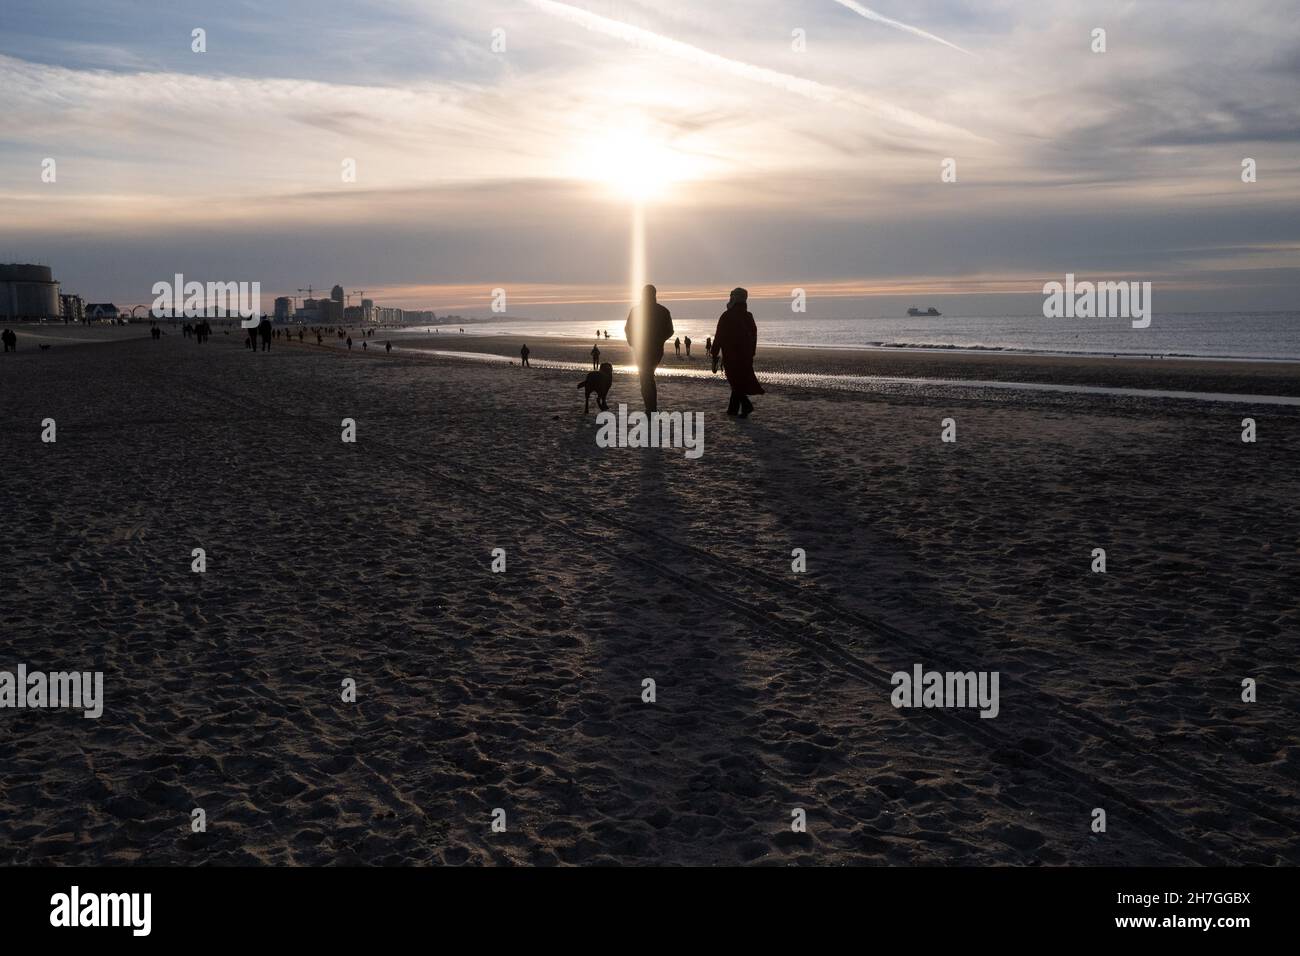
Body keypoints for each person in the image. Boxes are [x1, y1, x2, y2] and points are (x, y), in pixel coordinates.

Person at [711, 287, 764, 418]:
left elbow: (719, 336)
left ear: (734, 298)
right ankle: (733, 410)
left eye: (731, 296)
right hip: (746, 355)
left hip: (731, 355)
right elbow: (754, 336)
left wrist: (714, 353)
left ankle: (746, 405)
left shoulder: (727, 315)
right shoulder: (748, 316)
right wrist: (752, 353)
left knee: (735, 381)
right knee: (738, 381)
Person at [624, 284, 674, 412]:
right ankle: (651, 408)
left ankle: (651, 409)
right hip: (651, 350)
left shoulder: (639, 310)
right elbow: (670, 331)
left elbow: (670, 331)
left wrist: (633, 341)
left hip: (647, 350)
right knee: (647, 377)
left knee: (646, 377)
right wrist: (633, 341)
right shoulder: (661, 311)